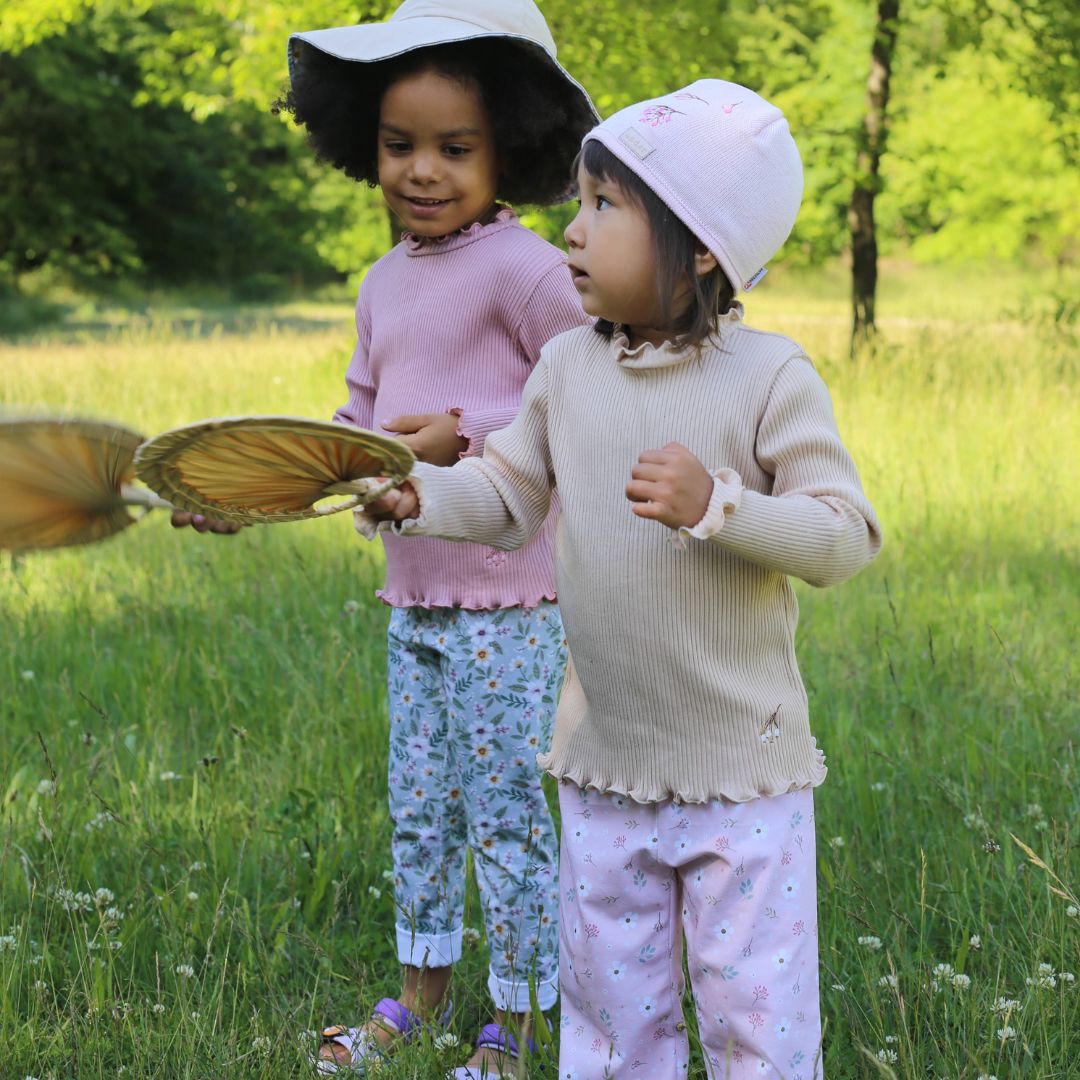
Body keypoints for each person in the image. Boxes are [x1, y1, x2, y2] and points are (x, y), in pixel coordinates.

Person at [365, 79, 883, 1078]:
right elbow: (509, 493)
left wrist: (720, 506)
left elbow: (842, 535)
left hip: (742, 779)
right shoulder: (566, 367)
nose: (572, 230)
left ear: (700, 247)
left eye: (605, 206)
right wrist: (419, 495)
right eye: (578, 200)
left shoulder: (771, 377)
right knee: (608, 1020)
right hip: (604, 766)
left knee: (757, 1024)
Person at [273, 2, 595, 1076]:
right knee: (419, 805)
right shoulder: (381, 280)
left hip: (510, 591)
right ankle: (417, 996)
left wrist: (468, 434)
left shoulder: (530, 271)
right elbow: (355, 426)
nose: (421, 170)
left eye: (454, 148)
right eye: (397, 144)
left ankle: (522, 1021)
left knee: (504, 807)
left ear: (509, 144)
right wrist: (260, 483)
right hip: (412, 593)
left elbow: (590, 400)